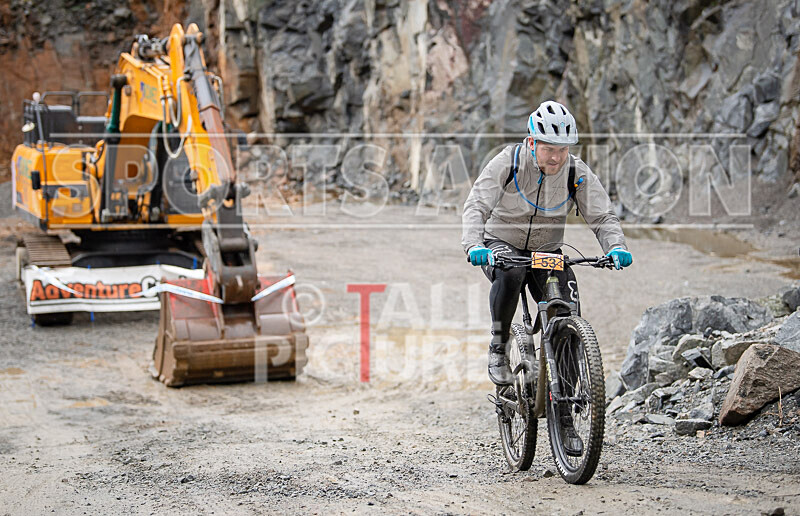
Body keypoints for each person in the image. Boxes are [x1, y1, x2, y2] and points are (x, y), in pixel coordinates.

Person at [462, 100, 632, 387]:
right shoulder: (508, 162)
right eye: (549, 149)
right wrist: (474, 245)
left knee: (566, 309)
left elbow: (602, 215)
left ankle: (567, 407)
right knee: (511, 273)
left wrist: (616, 247)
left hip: (547, 251)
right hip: (502, 242)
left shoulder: (575, 172)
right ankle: (499, 345)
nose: (556, 157)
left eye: (562, 149)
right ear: (531, 142)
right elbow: (476, 205)